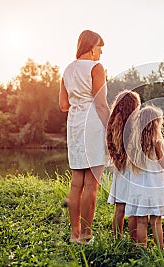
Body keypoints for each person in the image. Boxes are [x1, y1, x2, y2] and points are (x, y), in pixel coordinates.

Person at [59, 30, 110, 244]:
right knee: (92, 184)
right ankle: (87, 235)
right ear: (91, 46)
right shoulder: (96, 68)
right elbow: (100, 103)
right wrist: (111, 128)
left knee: (76, 182)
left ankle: (75, 234)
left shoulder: (67, 70)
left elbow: (63, 105)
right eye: (99, 47)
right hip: (93, 125)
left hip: (74, 124)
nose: (100, 51)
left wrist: (78, 100)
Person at [125, 106, 164, 249]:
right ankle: (160, 249)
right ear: (155, 124)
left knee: (141, 221)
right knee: (156, 221)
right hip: (154, 187)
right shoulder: (157, 143)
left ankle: (142, 248)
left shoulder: (133, 143)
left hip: (139, 187)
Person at [106, 90, 141, 239]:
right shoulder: (135, 125)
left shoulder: (113, 124)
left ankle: (116, 240)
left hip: (119, 170)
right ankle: (133, 242)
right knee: (133, 211)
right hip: (132, 173)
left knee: (119, 209)